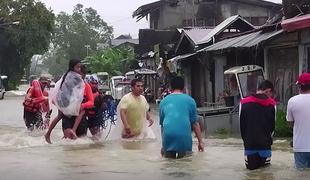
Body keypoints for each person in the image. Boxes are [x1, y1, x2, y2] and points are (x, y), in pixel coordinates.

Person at [44, 60, 93, 143]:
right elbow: (54, 99)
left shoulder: (86, 86)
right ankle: (48, 133)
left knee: (81, 144)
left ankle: (72, 130)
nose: (83, 76)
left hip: (80, 116)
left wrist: (82, 106)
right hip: (67, 115)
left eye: (84, 74)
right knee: (68, 142)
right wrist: (63, 107)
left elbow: (91, 102)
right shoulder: (66, 83)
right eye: (82, 73)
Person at [159, 76, 204, 159]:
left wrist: (163, 145)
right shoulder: (190, 100)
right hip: (183, 137)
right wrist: (200, 142)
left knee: (169, 166)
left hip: (168, 137)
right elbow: (195, 124)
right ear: (183, 87)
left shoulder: (163, 102)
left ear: (171, 87)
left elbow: (163, 125)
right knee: (185, 164)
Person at [239, 80, 276, 170]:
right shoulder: (272, 104)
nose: (271, 96)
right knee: (265, 174)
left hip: (250, 146)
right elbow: (273, 127)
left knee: (251, 175)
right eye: (271, 94)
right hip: (265, 147)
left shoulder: (243, 103)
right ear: (268, 90)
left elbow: (241, 126)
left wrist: (246, 141)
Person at [286, 73, 310, 169]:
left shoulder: (292, 101)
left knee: (300, 175)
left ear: (299, 86)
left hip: (300, 146)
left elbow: (290, 123)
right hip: (300, 147)